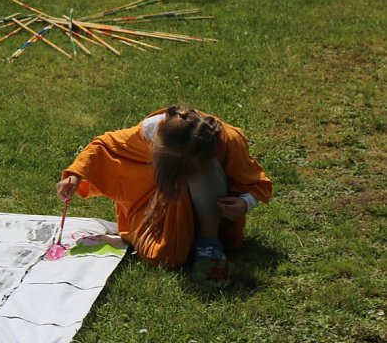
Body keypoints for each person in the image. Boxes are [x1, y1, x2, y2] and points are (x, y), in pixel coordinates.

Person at [55, 106, 272, 283]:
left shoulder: (228, 140)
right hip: (161, 202)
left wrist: (245, 203)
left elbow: (257, 183)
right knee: (163, 256)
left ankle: (208, 244)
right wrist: (75, 175)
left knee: (209, 169)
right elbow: (103, 146)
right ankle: (186, 238)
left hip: (213, 215)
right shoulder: (146, 135)